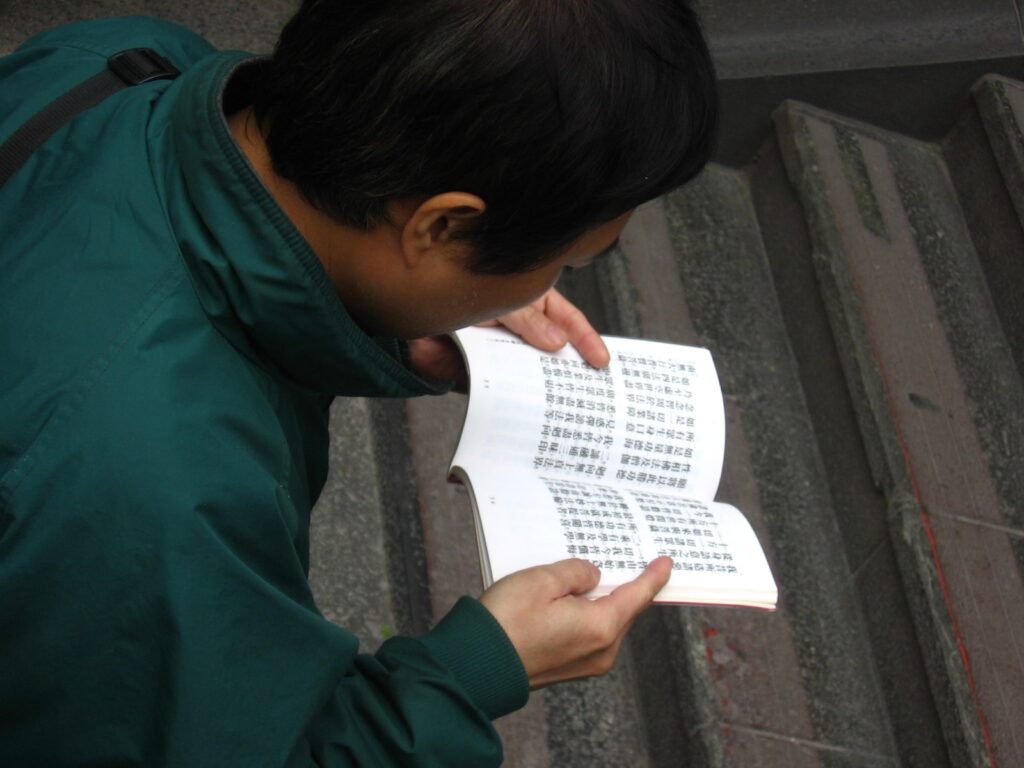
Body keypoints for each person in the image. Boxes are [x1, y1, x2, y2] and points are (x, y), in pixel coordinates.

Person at [0, 1, 717, 764]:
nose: (539, 290)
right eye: (563, 261)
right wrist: (468, 675)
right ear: (439, 228)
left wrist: (390, 323)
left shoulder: (124, 58)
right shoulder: (163, 499)